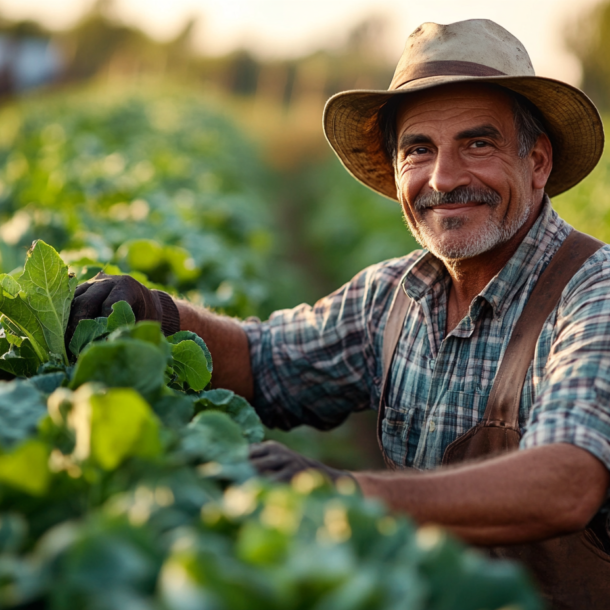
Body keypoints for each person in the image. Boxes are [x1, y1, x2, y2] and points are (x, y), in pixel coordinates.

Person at [68, 19, 610, 607]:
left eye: (478, 144)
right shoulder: (395, 295)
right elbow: (263, 358)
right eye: (418, 150)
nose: (444, 179)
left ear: (536, 162)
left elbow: (568, 481)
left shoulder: (593, 292)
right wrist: (160, 314)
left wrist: (344, 490)